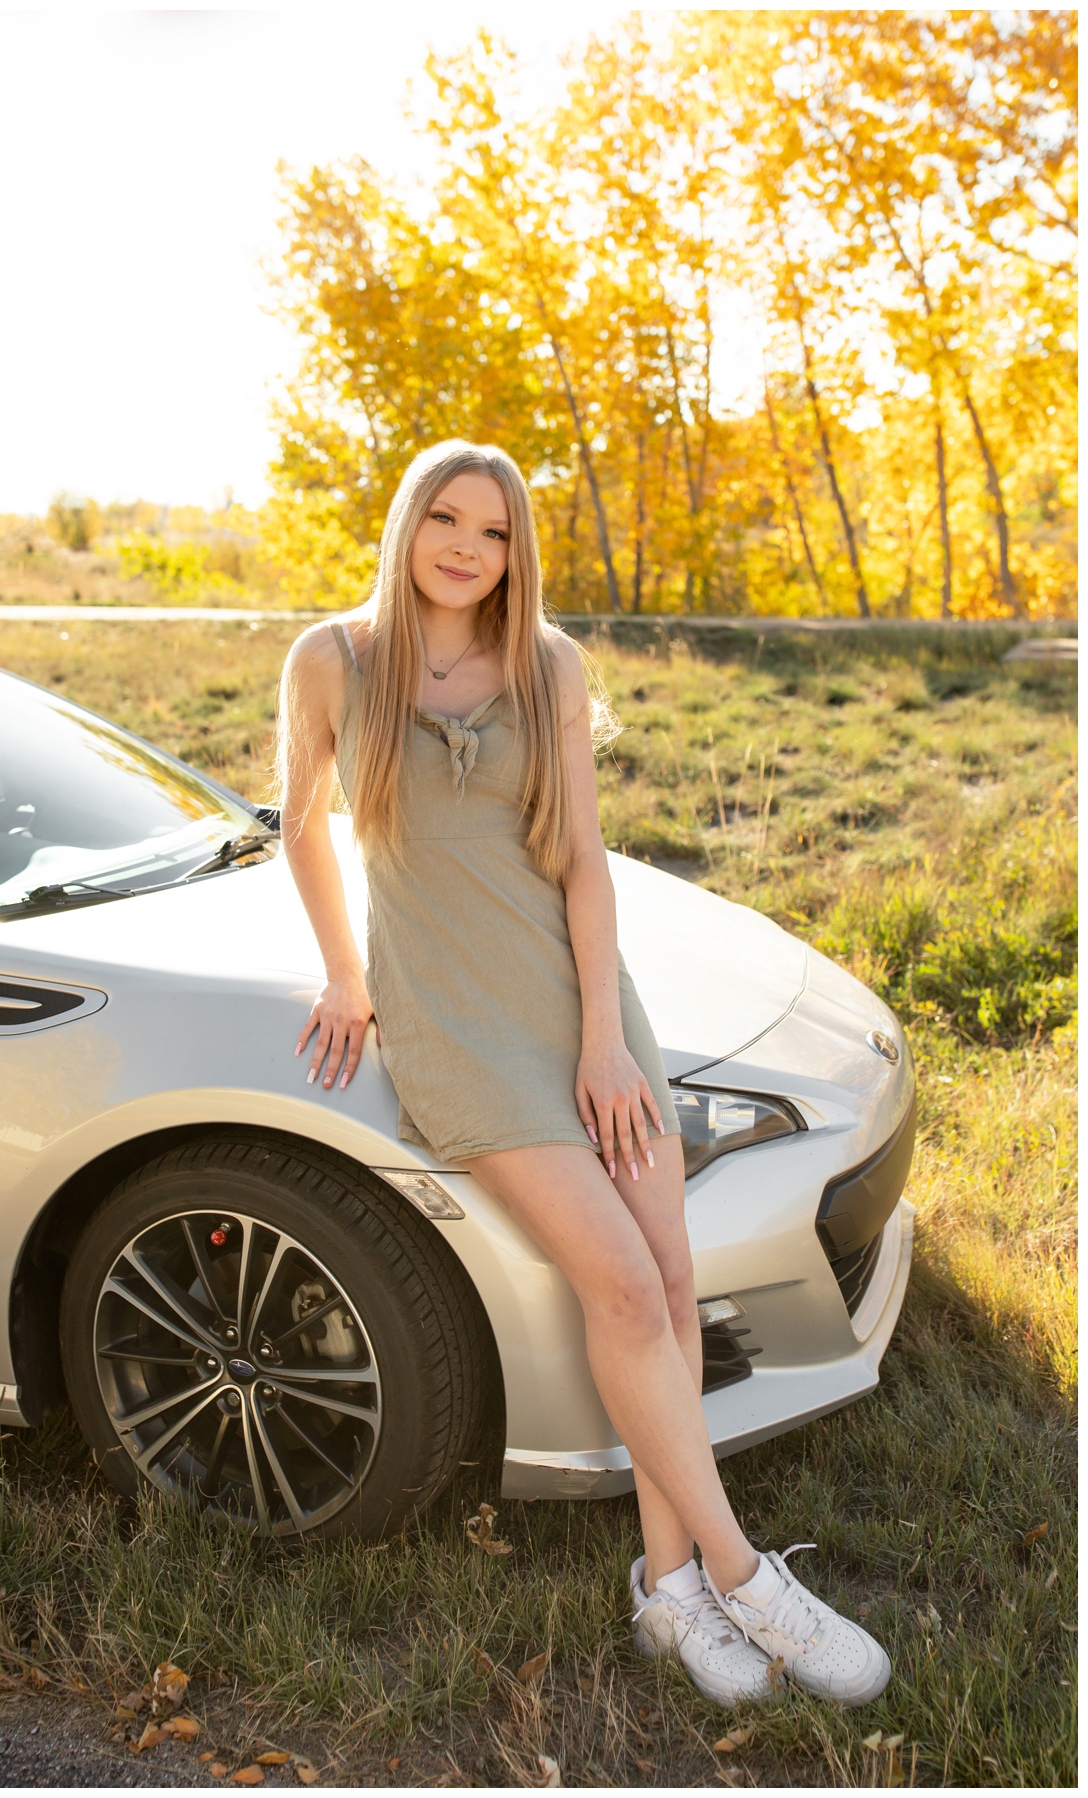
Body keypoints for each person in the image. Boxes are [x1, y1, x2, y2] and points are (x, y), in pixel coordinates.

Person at [271, 439, 891, 1710]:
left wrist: (607, 1036)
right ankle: (749, 1575)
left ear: (515, 549)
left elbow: (584, 858)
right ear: (407, 524)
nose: (466, 547)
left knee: (666, 1284)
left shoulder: (549, 661)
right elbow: (301, 820)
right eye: (445, 519)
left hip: (581, 1008)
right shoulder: (333, 657)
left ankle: (667, 1593)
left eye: (493, 532)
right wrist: (346, 975)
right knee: (617, 1278)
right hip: (450, 1025)